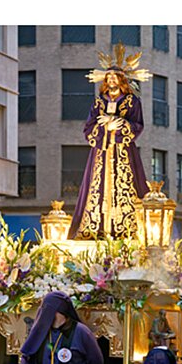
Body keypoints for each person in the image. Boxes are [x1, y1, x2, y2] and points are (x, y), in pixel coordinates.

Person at [69, 45, 150, 240]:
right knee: (96, 187)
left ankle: (127, 229)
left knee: (127, 185)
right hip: (101, 153)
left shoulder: (131, 102)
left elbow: (138, 125)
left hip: (123, 152)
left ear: (122, 80)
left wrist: (119, 124)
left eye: (115, 77)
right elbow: (88, 128)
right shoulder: (99, 102)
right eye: (109, 77)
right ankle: (96, 228)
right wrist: (104, 127)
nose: (111, 80)